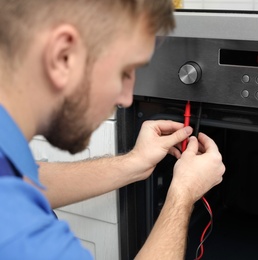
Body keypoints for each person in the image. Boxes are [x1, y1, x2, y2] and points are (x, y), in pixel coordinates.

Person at [0, 0, 225, 259]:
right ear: (63, 56)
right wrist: (182, 194)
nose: (127, 100)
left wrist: (135, 162)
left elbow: (29, 180)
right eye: (125, 72)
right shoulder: (18, 234)